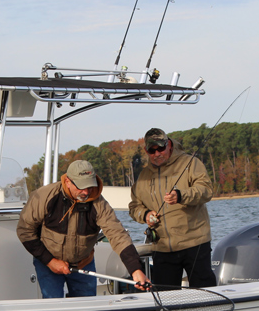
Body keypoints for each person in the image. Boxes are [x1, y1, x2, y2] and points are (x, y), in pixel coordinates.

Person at [18, 160, 151, 298]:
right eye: (81, 186)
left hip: (83, 264)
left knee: (87, 304)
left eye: (90, 186)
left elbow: (118, 235)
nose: (86, 192)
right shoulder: (44, 196)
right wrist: (50, 261)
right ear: (68, 182)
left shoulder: (99, 204)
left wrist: (135, 269)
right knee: (53, 304)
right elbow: (24, 231)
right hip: (48, 263)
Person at [129, 127, 216, 288]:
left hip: (195, 243)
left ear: (169, 145)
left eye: (161, 148)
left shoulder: (190, 163)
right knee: (165, 296)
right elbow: (134, 206)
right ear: (146, 151)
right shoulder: (143, 176)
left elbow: (206, 191)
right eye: (152, 150)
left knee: (205, 293)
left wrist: (181, 196)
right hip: (162, 248)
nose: (157, 153)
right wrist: (145, 214)